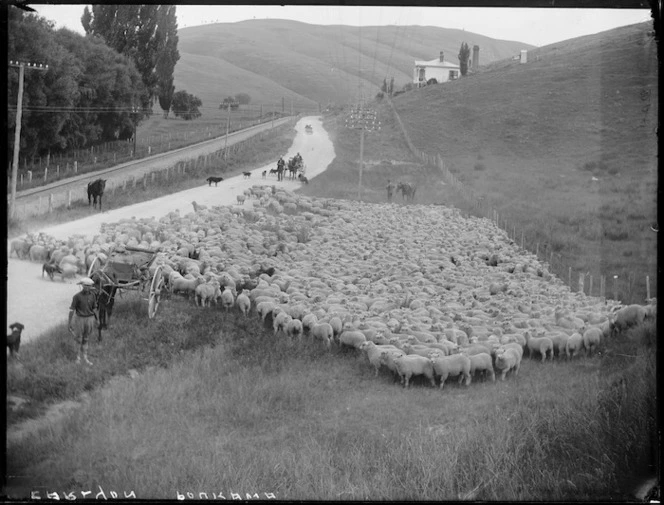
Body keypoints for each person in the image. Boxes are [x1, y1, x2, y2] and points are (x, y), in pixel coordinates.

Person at [68, 277, 98, 365]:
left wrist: (97, 319)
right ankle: (78, 357)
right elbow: (72, 310)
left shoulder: (93, 295)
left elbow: (94, 308)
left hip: (90, 319)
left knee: (86, 338)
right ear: (82, 286)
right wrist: (69, 323)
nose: (86, 288)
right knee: (78, 339)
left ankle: (85, 357)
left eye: (88, 286)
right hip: (80, 319)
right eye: (85, 286)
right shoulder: (77, 296)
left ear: (91, 287)